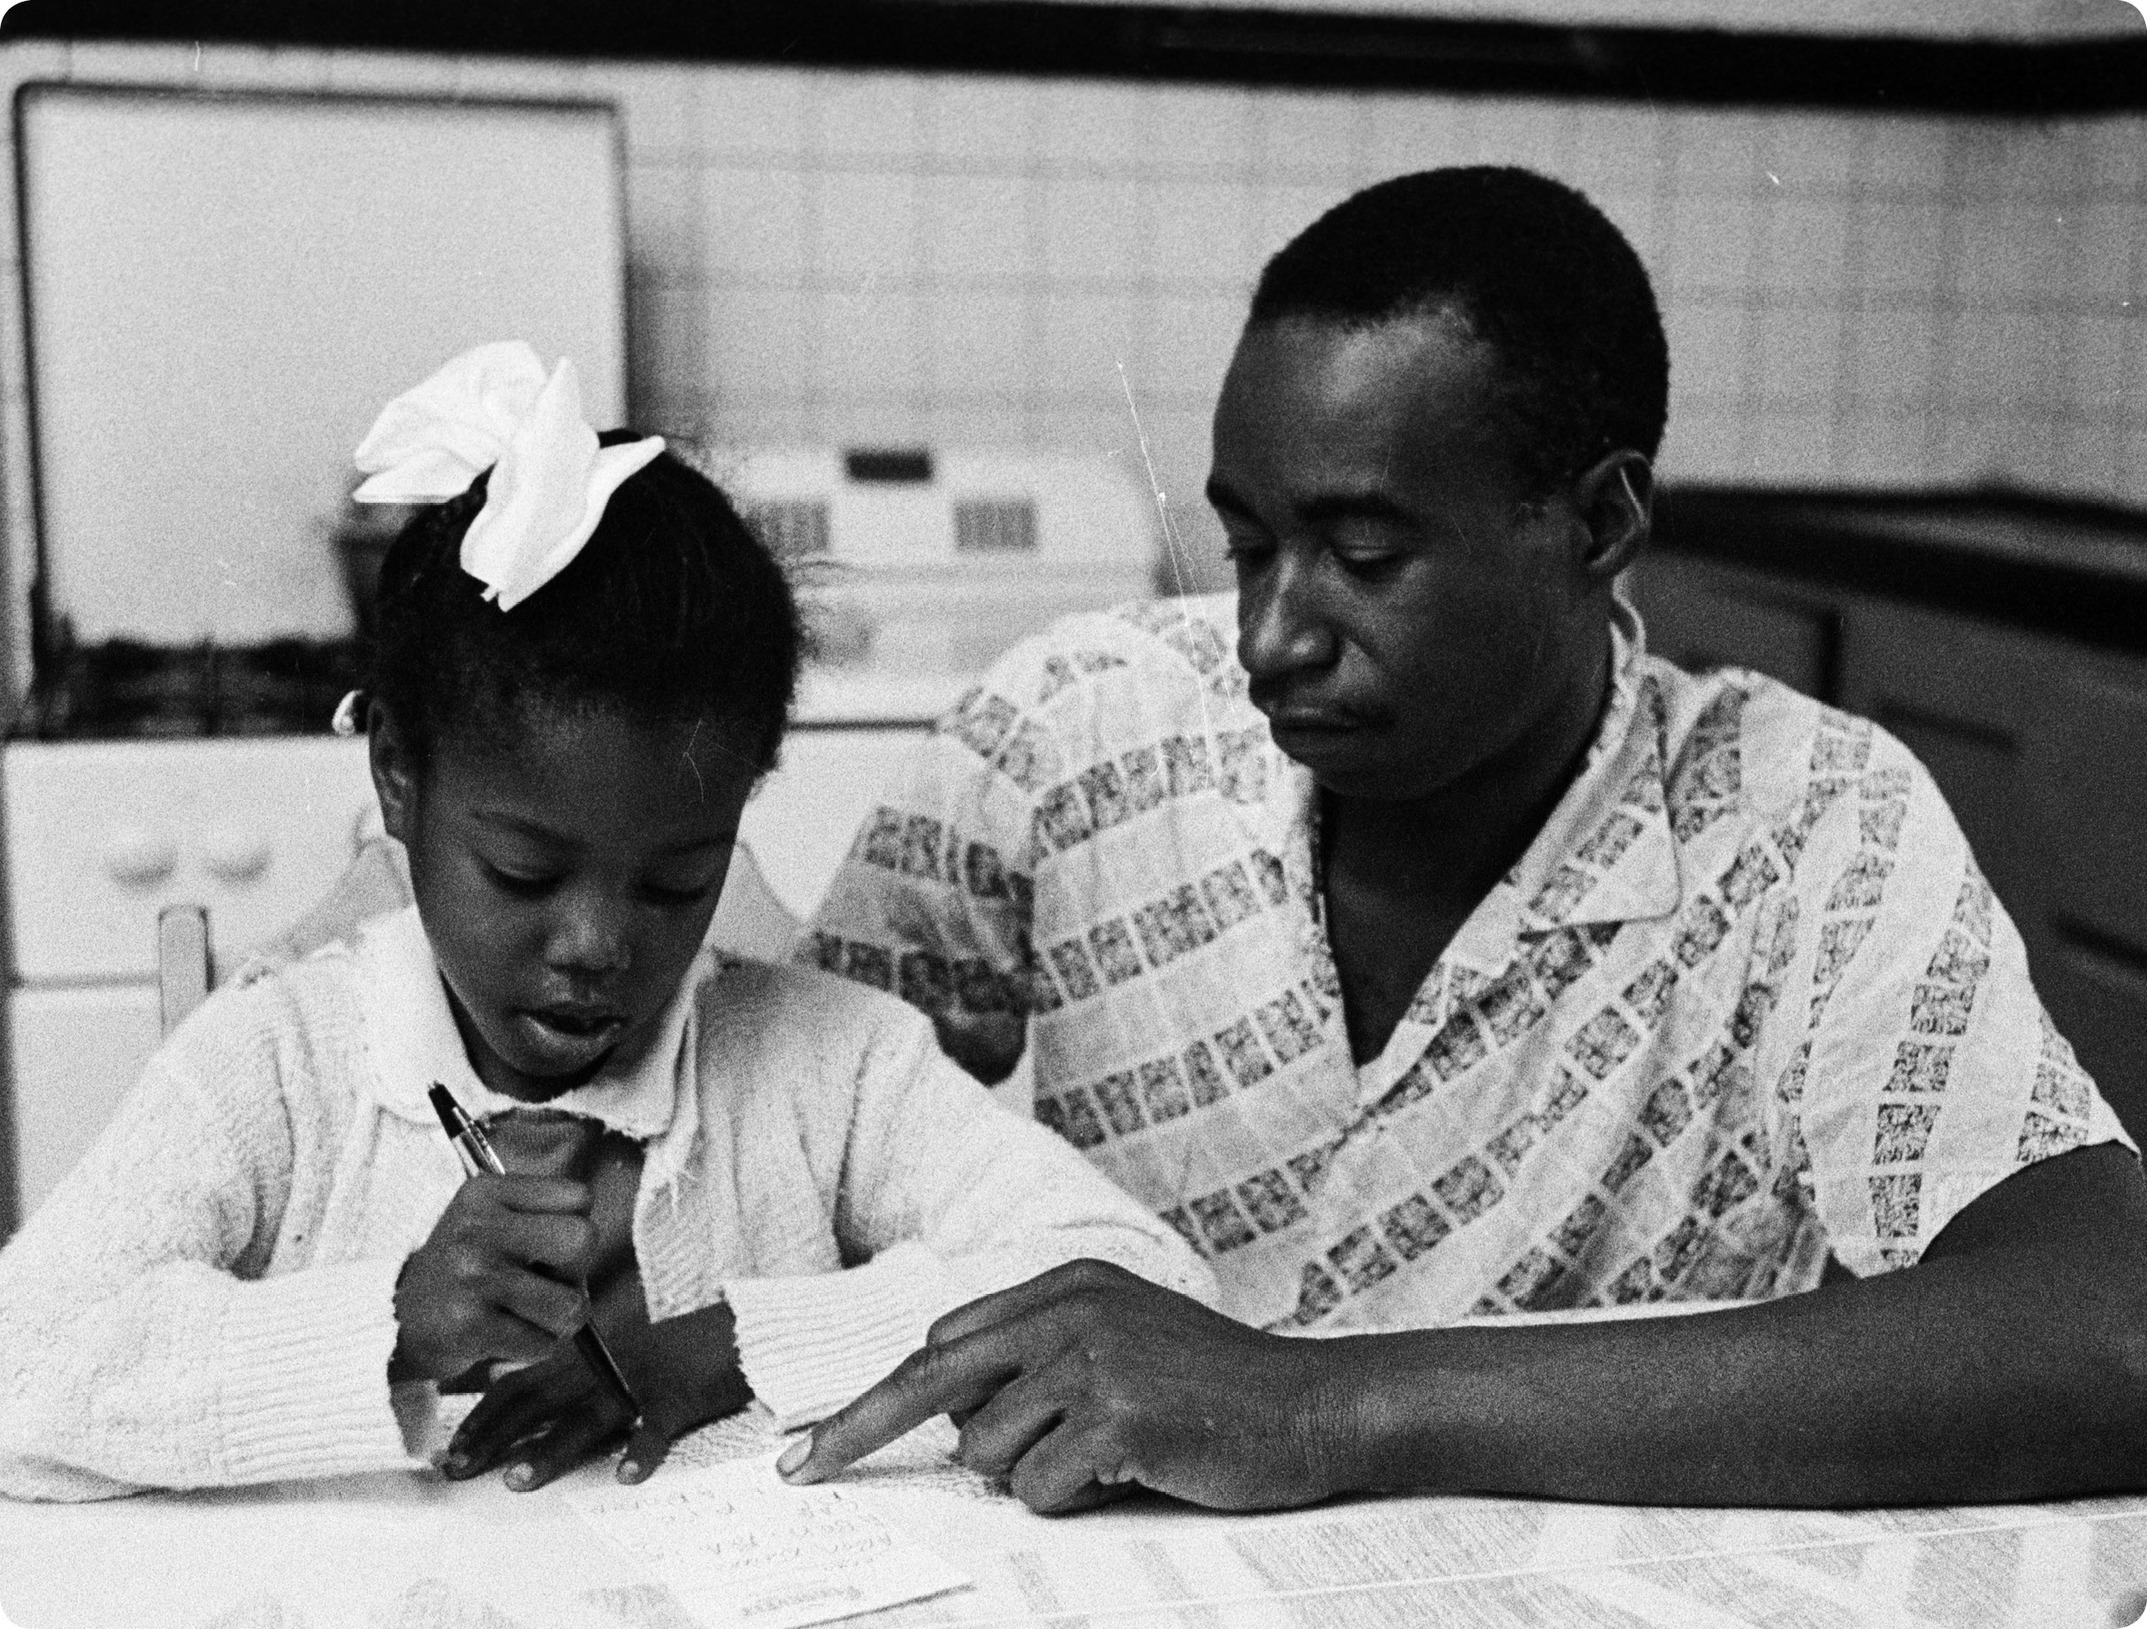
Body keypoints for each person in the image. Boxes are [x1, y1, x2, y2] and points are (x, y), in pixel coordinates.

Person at [782, 168, 2147, 1513]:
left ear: (1598, 525)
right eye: (1247, 546)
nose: (1270, 635)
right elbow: (781, 1132)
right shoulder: (1068, 732)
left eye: (1363, 556)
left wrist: (1319, 1405)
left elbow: (2107, 1329)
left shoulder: (1806, 826)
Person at [0, 340, 1209, 1502]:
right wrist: (388, 1329)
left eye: (678, 881)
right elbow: (22, 1366)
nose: (597, 946)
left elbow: (1141, 1282)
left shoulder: (832, 1066)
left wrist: (731, 1343)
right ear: (396, 782)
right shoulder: (276, 1064)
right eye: (524, 875)